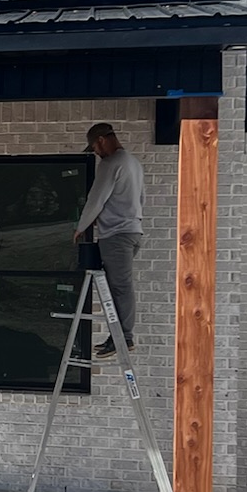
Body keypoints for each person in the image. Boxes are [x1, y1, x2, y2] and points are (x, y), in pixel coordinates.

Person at [73, 125, 144, 357]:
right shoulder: (133, 163)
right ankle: (118, 336)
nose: (95, 152)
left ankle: (124, 337)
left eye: (94, 147)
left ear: (102, 140)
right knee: (117, 286)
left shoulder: (110, 163)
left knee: (121, 287)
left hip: (116, 236)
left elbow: (97, 198)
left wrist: (81, 227)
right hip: (132, 232)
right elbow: (138, 199)